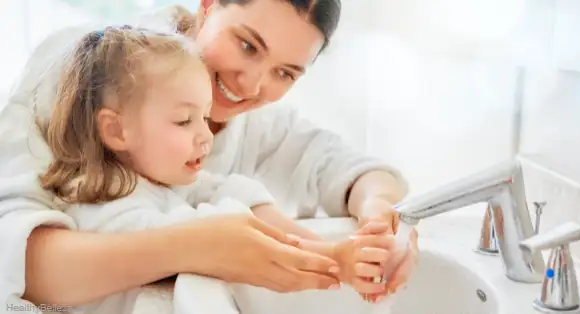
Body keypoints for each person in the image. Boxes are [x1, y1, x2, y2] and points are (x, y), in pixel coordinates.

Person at [0, 0, 417, 311]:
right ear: (207, 7)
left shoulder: (256, 127)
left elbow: (346, 168)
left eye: (285, 73)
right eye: (248, 46)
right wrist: (194, 247)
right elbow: (15, 258)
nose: (253, 84)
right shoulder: (89, 70)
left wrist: (382, 217)